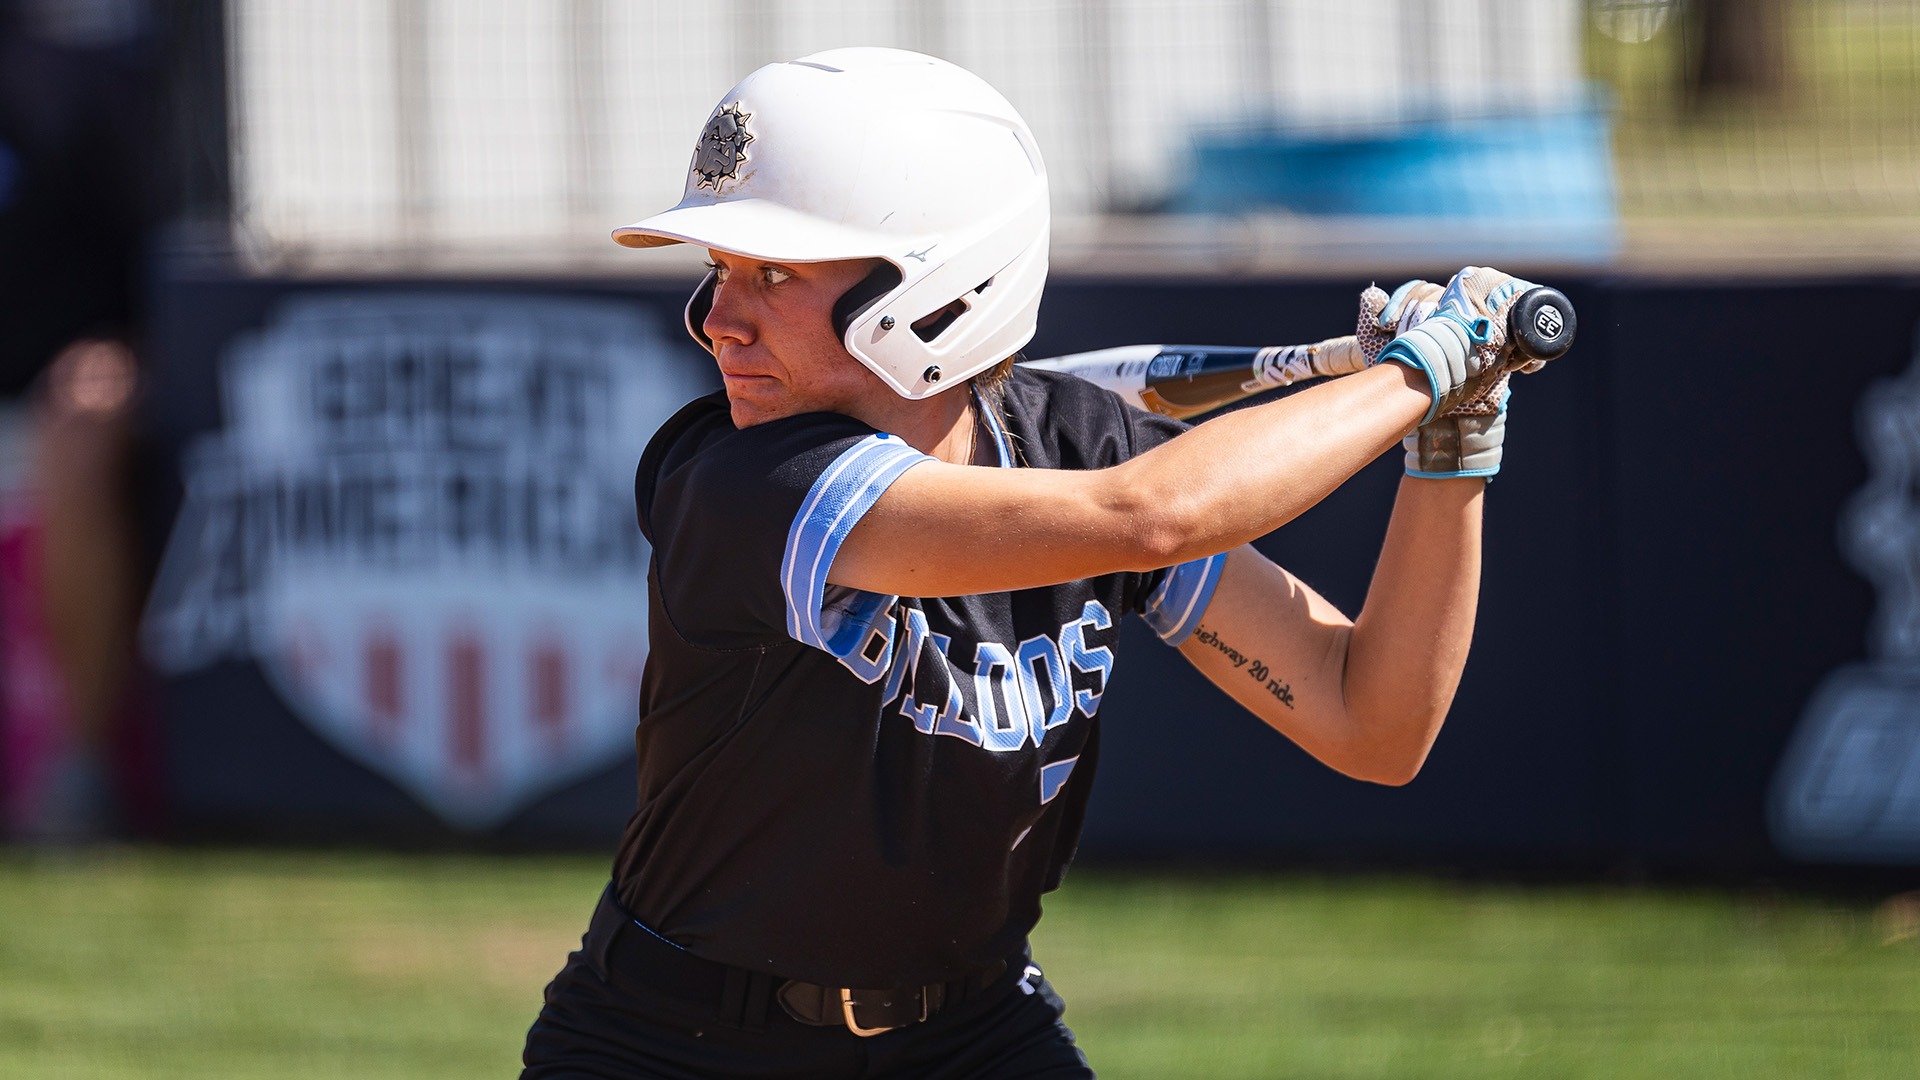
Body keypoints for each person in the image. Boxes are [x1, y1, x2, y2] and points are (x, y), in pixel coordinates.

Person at [522, 47, 1551, 1079]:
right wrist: (1426, 367)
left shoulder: (1077, 444)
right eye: (718, 273)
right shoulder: (741, 483)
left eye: (774, 275)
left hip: (971, 1032)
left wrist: (1451, 445)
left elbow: (1371, 723)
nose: (715, 322)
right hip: (676, 1041)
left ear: (930, 282)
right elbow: (1155, 517)